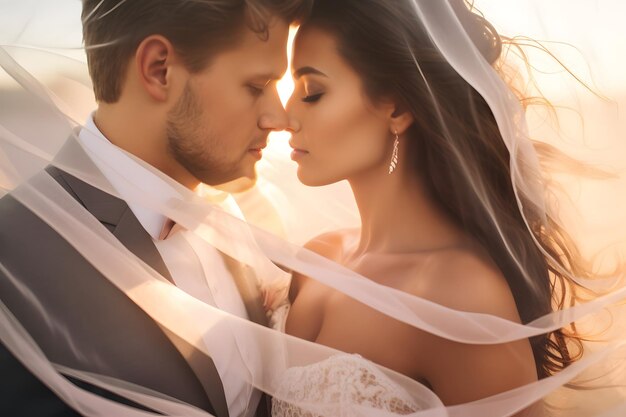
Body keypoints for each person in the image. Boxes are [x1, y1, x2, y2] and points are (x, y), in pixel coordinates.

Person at [270, 0, 598, 414]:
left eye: (311, 93)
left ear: (398, 108)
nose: (284, 118)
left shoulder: (461, 298)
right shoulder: (317, 257)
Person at [0, 0, 311, 416]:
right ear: (158, 68)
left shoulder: (240, 221)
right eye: (256, 86)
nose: (278, 116)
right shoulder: (12, 255)